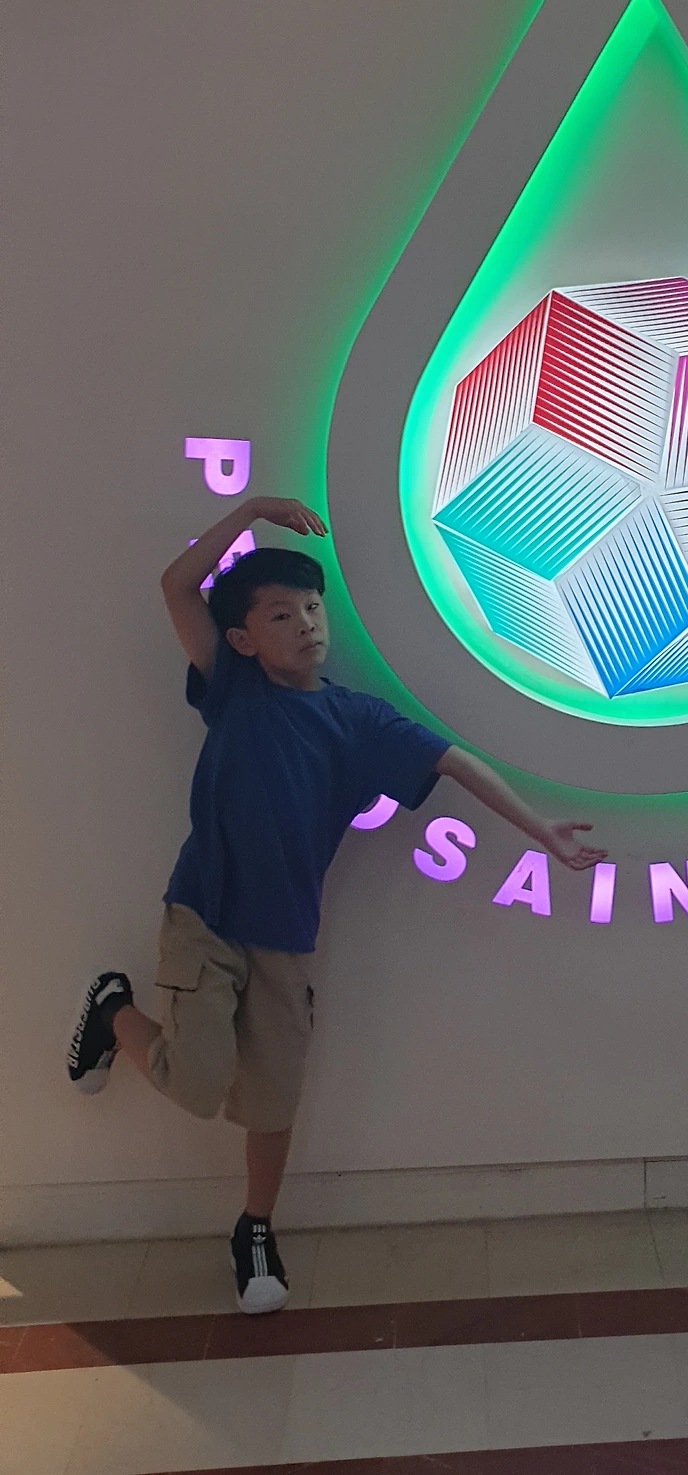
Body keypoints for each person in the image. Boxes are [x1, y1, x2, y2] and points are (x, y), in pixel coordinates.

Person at [68, 495, 606, 1314]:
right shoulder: (233, 688)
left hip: (287, 934)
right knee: (197, 1082)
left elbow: (454, 760)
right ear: (244, 638)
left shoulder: (357, 719)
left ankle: (255, 1226)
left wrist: (540, 828)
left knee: (273, 1098)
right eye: (281, 614)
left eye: (313, 608)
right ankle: (113, 1010)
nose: (306, 624)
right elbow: (177, 587)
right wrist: (252, 509)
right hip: (204, 916)